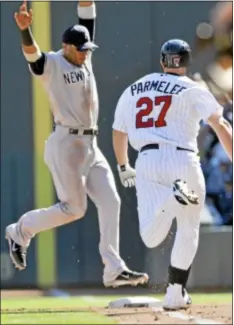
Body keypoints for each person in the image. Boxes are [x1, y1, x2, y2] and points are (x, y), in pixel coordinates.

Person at [5, 0, 149, 289]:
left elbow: (87, 16)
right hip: (66, 144)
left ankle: (113, 269)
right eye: (81, 49)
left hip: (90, 144)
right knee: (74, 209)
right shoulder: (53, 64)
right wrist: (25, 30)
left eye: (87, 49)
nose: (86, 53)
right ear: (67, 46)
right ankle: (20, 230)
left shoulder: (85, 56)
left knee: (111, 200)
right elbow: (33, 56)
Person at [112, 39, 232, 309]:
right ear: (187, 62)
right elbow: (220, 123)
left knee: (151, 237)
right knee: (189, 228)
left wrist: (122, 165)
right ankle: (175, 291)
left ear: (162, 61)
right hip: (184, 159)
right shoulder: (192, 88)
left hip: (147, 159)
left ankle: (171, 201)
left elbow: (118, 131)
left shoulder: (136, 87)